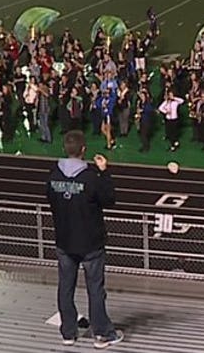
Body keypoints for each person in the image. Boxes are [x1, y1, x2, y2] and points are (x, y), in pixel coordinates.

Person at [45, 131, 123, 349]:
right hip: (91, 243)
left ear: (65, 149)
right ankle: (101, 334)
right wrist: (105, 172)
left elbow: (50, 200)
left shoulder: (53, 176)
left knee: (65, 287)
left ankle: (68, 333)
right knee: (95, 288)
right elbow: (110, 199)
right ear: (83, 150)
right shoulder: (90, 178)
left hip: (64, 241)